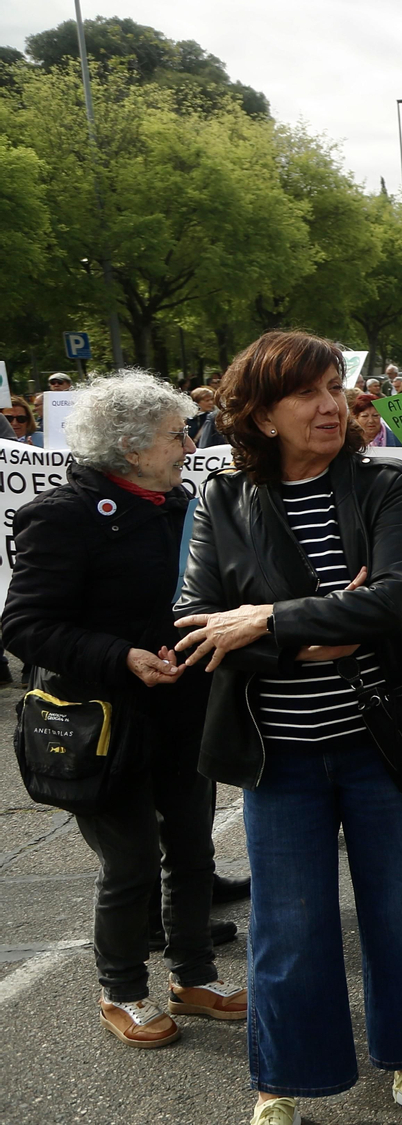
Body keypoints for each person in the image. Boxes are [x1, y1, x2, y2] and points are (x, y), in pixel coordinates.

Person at [174, 331, 402, 1125]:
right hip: (280, 756)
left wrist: (263, 617)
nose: (331, 404)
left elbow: (391, 602)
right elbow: (194, 622)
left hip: (380, 744)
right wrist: (314, 627)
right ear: (262, 414)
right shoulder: (223, 498)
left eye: (335, 385)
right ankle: (281, 1079)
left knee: (401, 913)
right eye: (307, 391)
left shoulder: (383, 483)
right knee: (288, 929)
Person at [1, 372, 233, 1049]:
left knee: (191, 852)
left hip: (183, 713)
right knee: (130, 862)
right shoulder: (63, 514)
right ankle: (122, 989)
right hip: (103, 724)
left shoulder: (180, 502)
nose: (190, 443)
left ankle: (193, 977)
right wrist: (122, 655)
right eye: (175, 433)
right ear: (131, 448)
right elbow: (24, 625)